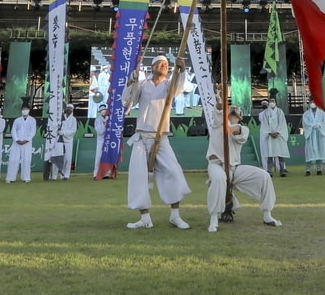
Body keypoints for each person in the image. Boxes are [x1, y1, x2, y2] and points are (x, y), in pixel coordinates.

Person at [122, 55, 191, 229]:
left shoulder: (169, 84)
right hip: (141, 137)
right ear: (152, 67)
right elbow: (128, 101)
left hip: (161, 137)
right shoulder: (143, 84)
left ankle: (175, 216)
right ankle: (145, 218)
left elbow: (178, 89)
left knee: (173, 172)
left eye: (166, 65)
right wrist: (131, 81)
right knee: (139, 177)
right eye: (160, 63)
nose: (163, 66)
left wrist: (181, 70)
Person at [207, 105, 282, 232]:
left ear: (241, 117)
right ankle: (214, 217)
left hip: (234, 169)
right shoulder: (217, 124)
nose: (234, 107)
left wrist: (230, 127)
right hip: (216, 165)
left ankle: (267, 214)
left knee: (264, 176)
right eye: (231, 107)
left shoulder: (243, 129)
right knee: (219, 178)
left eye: (238, 109)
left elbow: (235, 130)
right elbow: (219, 112)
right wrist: (220, 103)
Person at [258, 100, 290, 177]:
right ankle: (269, 171)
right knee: (270, 154)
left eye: (273, 101)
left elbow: (282, 123)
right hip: (270, 136)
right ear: (269, 103)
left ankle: (282, 170)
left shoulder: (280, 111)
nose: (272, 102)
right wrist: (269, 132)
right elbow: (264, 124)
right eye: (271, 101)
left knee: (280, 154)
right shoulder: (265, 113)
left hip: (279, 136)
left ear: (275, 102)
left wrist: (278, 132)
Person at [7, 107, 36, 183]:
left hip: (27, 143)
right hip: (17, 142)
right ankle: (10, 178)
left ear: (29, 110)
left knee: (26, 160)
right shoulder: (17, 120)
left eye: (26, 109)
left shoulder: (32, 120)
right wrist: (17, 139)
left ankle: (26, 178)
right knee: (13, 159)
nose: (25, 111)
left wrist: (27, 140)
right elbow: (13, 130)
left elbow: (33, 131)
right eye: (23, 109)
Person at [301, 102, 325, 176]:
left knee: (319, 150)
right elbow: (305, 123)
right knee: (309, 152)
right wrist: (311, 125)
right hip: (310, 134)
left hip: (319, 133)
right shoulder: (306, 114)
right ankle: (308, 169)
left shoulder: (322, 113)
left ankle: (319, 169)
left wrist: (320, 125)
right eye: (312, 102)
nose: (313, 103)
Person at [93, 104, 110, 176]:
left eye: (104, 110)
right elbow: (99, 131)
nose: (103, 112)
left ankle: (107, 173)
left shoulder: (109, 118)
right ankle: (96, 173)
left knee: (107, 156)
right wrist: (103, 124)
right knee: (99, 157)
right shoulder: (97, 120)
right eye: (101, 111)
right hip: (100, 141)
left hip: (108, 140)